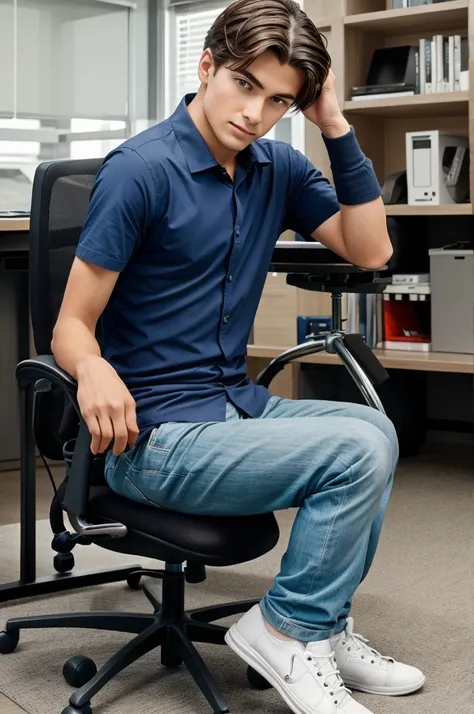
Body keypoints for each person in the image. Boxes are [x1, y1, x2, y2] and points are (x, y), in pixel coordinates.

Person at [51, 0, 425, 711]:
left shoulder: (275, 169)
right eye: (246, 85)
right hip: (154, 436)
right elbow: (71, 324)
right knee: (353, 450)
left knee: (376, 429)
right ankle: (289, 632)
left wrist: (336, 125)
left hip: (234, 406)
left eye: (280, 99)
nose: (256, 113)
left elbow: (373, 250)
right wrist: (94, 366)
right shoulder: (142, 170)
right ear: (206, 67)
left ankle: (320, 624)